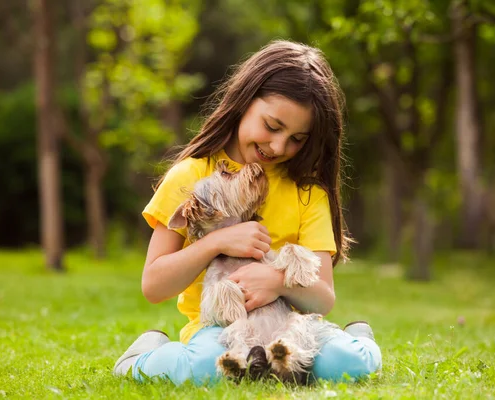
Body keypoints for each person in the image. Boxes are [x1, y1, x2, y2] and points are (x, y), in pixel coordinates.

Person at [113, 40, 382, 385]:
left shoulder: (307, 192)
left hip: (289, 327)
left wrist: (276, 281)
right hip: (220, 329)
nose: (279, 147)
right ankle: (141, 357)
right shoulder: (191, 177)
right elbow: (153, 286)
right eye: (272, 126)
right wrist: (217, 242)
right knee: (206, 369)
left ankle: (360, 339)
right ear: (244, 101)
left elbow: (322, 298)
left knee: (345, 364)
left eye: (298, 138)